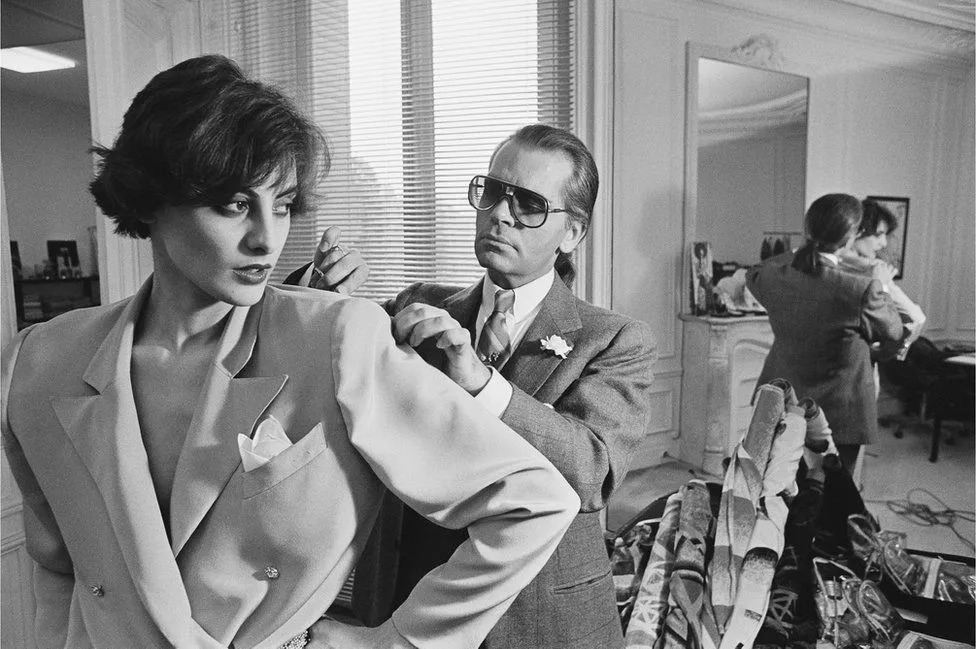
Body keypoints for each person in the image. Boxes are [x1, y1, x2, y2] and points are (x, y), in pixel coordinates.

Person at [0, 55, 581, 649]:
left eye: (281, 205)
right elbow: (59, 567)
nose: (267, 238)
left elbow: (535, 500)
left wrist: (393, 643)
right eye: (234, 205)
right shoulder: (39, 362)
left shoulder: (338, 337)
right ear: (151, 198)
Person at [290, 124, 658, 649]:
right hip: (410, 596)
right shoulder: (419, 305)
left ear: (573, 233)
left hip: (541, 616)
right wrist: (321, 290)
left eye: (529, 204)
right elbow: (323, 363)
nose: (500, 214)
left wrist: (481, 384)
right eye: (493, 192)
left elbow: (592, 472)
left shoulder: (615, 339)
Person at [746, 193, 905, 472]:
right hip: (841, 411)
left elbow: (757, 269)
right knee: (835, 489)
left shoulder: (770, 278)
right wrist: (883, 286)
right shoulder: (862, 289)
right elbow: (894, 331)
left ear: (808, 228)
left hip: (782, 401)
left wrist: (802, 248)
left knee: (780, 484)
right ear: (850, 237)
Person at [839, 199, 926, 366]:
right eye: (878, 234)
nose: (883, 243)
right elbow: (916, 318)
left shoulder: (824, 264)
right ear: (858, 232)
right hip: (857, 364)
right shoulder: (873, 270)